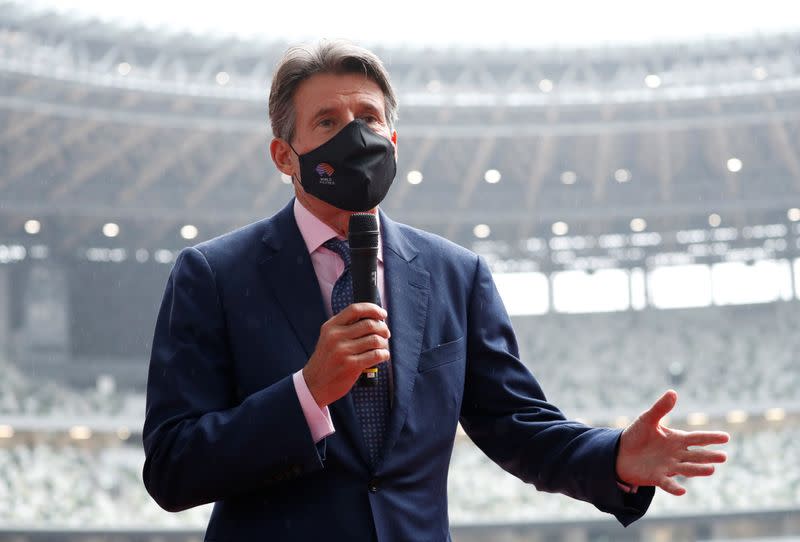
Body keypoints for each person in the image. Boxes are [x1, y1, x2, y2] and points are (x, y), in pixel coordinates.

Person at [142, 40, 729, 541]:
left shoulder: (456, 273)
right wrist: (306, 393)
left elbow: (515, 424)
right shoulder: (213, 275)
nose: (354, 136)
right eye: (327, 122)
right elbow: (172, 468)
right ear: (283, 155)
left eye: (368, 120)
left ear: (393, 142)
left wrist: (614, 457)